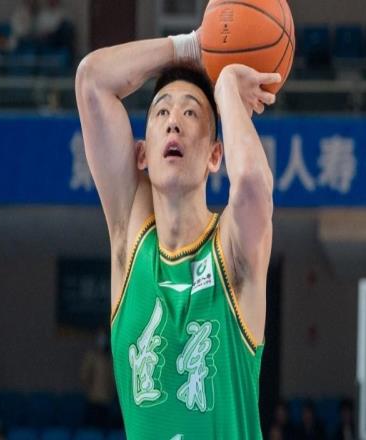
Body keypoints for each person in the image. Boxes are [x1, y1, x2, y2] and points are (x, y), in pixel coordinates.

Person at [76, 22, 278, 439]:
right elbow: (92, 81)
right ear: (142, 154)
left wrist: (226, 89)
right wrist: (191, 46)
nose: (174, 123)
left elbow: (253, 186)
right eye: (162, 112)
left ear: (215, 155)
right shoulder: (130, 239)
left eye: (190, 113)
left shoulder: (231, 249)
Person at [80, 328, 117, 428]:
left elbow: (113, 380)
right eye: (100, 337)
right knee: (92, 429)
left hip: (108, 401)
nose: (102, 340)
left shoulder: (110, 358)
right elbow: (84, 376)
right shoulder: (91, 356)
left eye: (104, 337)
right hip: (94, 400)